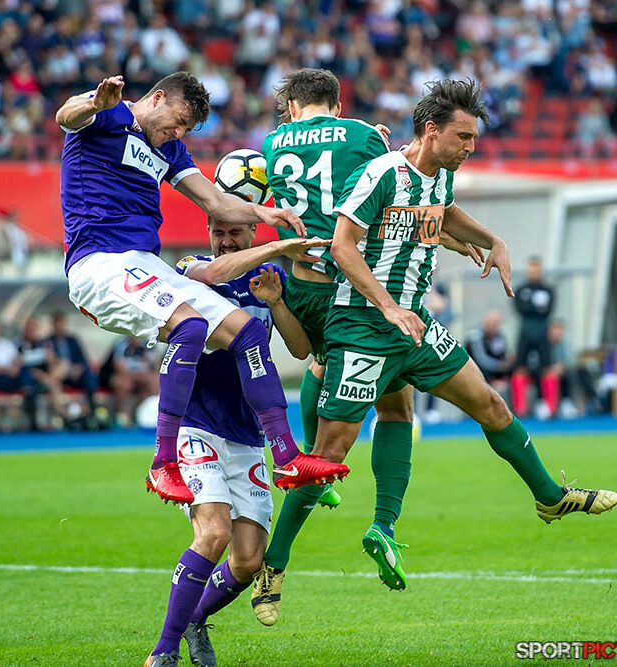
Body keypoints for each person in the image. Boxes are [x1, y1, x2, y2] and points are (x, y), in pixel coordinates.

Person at [308, 79, 615, 595]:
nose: (471, 148)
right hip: (362, 322)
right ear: (431, 131)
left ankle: (548, 495)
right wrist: (386, 304)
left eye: (475, 139)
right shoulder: (383, 172)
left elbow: (441, 213)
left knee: (488, 406)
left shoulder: (439, 177)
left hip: (414, 324)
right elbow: (344, 244)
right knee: (326, 455)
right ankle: (270, 565)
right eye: (465, 137)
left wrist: (489, 239)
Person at [251, 68, 484, 625]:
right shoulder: (362, 136)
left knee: (322, 368)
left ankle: (309, 486)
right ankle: (364, 515)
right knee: (390, 405)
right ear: (335, 101)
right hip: (355, 283)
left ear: (290, 106)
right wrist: (455, 239)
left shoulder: (269, 144)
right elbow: (394, 206)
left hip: (301, 278)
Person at [55, 71, 348, 506]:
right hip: (99, 263)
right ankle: (163, 464)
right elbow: (66, 115)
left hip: (145, 265)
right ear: (156, 99)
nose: (178, 133)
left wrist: (264, 214)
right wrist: (95, 103)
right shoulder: (108, 113)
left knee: (247, 332)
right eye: (177, 122)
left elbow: (214, 201)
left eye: (187, 129)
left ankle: (287, 456)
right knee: (189, 327)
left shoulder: (168, 149)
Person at [147, 216, 323, 667]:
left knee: (247, 562)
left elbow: (301, 350)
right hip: (197, 425)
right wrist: (273, 252)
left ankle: (192, 618)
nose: (225, 241)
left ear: (251, 233)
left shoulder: (269, 278)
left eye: (234, 233)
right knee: (213, 533)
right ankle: (163, 652)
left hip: (247, 437)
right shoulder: (190, 267)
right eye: (217, 231)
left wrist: (278, 302)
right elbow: (209, 278)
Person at [511, 256, 555, 418]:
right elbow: (521, 309)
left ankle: (550, 408)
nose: (534, 272)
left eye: (537, 269)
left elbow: (549, 309)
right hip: (526, 331)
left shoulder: (548, 289)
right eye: (531, 268)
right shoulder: (521, 289)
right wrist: (536, 309)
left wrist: (533, 308)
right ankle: (520, 408)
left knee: (547, 367)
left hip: (542, 331)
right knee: (520, 367)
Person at [45, 311, 101, 426]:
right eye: (57, 323)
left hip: (75, 374)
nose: (60, 326)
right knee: (62, 367)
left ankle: (93, 409)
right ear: (53, 325)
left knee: (88, 375)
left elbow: (83, 360)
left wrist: (78, 369)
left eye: (62, 323)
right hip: (58, 376)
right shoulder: (48, 342)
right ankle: (64, 417)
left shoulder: (72, 340)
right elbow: (48, 364)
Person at [99, 336, 160, 427]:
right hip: (124, 376)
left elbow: (155, 366)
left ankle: (149, 415)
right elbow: (120, 369)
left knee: (155, 381)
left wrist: (143, 376)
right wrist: (139, 375)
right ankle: (122, 417)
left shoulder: (149, 343)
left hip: (142, 376)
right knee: (123, 384)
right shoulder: (121, 343)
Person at [465, 309, 514, 397]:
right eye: (493, 323)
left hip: (493, 371)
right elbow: (481, 360)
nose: (496, 327)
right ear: (485, 322)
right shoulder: (475, 337)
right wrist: (500, 366)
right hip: (475, 372)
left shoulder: (499, 337)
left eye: (498, 324)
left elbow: (501, 354)